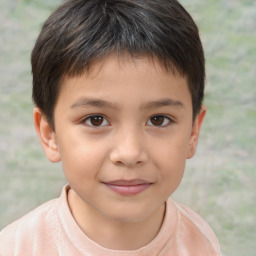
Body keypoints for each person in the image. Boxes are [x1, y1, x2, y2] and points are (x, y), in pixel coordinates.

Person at [0, 0, 221, 255]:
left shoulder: (201, 243)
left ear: (193, 132)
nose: (129, 153)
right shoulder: (15, 248)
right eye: (96, 120)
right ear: (50, 135)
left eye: (158, 119)